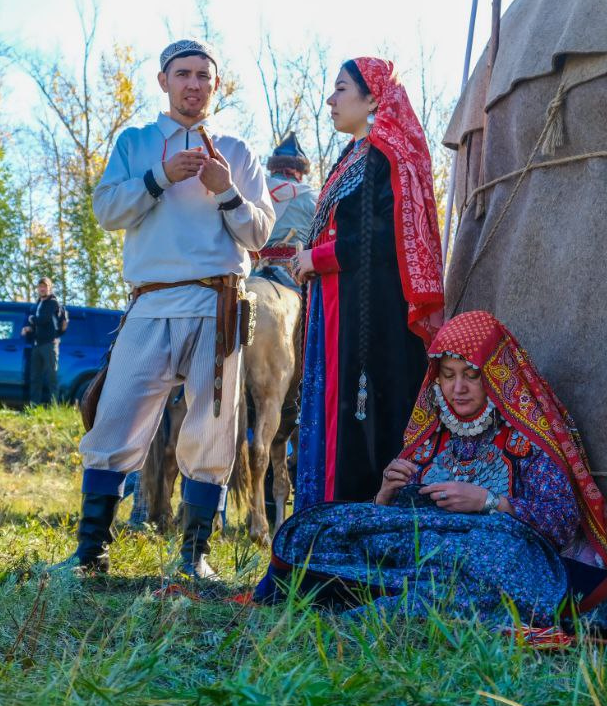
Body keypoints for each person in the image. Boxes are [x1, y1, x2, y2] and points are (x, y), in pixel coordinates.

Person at [255, 311, 607, 641]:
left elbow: (563, 520)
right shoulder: (432, 432)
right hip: (422, 555)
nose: (458, 388)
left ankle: (387, 609)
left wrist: (488, 502)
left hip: (500, 558)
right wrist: (383, 497)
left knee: (492, 550)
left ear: (495, 374)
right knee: (321, 524)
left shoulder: (528, 438)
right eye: (448, 375)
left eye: (472, 374)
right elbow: (400, 522)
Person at [59, 38, 274, 579]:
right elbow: (107, 210)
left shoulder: (238, 151)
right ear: (163, 81)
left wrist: (226, 191)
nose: (194, 84)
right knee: (112, 419)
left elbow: (260, 232)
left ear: (215, 84)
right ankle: (90, 554)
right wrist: (161, 177)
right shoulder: (135, 143)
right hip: (150, 301)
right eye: (184, 74)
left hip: (216, 301)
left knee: (212, 425)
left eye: (204, 75)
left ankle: (194, 556)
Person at [291, 58, 443, 508]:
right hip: (335, 308)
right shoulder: (352, 157)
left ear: (373, 97)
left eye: (341, 89)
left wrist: (315, 258)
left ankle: (352, 523)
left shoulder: (385, 156)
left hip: (368, 319)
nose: (330, 100)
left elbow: (381, 236)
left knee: (361, 419)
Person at [255, 132, 318, 288]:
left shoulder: (255, 192)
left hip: (255, 270)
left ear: (273, 169)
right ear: (299, 172)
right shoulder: (313, 197)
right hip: (296, 272)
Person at [23, 277, 67, 405]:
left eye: (45, 286)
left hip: (49, 344)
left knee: (52, 377)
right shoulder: (38, 304)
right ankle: (34, 405)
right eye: (40, 286)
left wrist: (31, 319)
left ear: (49, 288)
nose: (42, 289)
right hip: (36, 345)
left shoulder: (53, 303)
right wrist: (28, 328)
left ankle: (54, 407)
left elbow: (44, 319)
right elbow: (39, 323)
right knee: (35, 377)